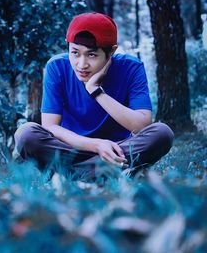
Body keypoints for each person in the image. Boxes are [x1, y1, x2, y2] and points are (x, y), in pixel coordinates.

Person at [14, 12, 174, 180]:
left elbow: (141, 125)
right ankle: (106, 172)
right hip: (70, 149)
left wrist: (96, 91)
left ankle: (72, 174)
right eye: (75, 53)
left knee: (162, 133)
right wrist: (96, 145)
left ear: (111, 52)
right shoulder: (57, 67)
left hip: (117, 149)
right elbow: (51, 127)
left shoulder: (131, 68)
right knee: (26, 134)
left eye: (91, 55)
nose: (81, 64)